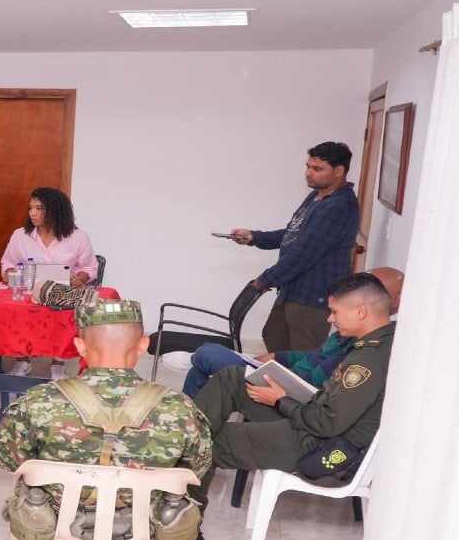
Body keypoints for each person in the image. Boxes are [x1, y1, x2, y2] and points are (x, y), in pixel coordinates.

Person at [0, 299, 212, 540]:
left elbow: (7, 458)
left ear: (80, 346)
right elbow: (196, 469)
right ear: (144, 344)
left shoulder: (39, 401)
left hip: (58, 515)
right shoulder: (179, 407)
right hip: (143, 518)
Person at [192, 272, 395, 510]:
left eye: (335, 312)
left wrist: (281, 400)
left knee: (209, 445)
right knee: (234, 378)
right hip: (313, 422)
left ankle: (182, 521)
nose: (330, 319)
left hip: (320, 445)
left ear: (360, 311)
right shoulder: (378, 342)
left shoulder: (368, 360)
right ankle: (183, 437)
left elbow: (328, 424)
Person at [173, 267, 404, 397]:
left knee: (209, 353)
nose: (330, 318)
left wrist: (275, 377)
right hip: (283, 377)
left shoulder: (365, 345)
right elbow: (314, 357)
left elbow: (311, 387)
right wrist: (278, 357)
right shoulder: (347, 331)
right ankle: (191, 430)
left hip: (284, 392)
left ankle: (193, 359)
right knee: (199, 371)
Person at [230, 141, 359, 352]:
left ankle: (294, 386)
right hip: (293, 289)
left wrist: (263, 281)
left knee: (303, 353)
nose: (308, 173)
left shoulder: (339, 206)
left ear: (338, 171)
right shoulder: (317, 196)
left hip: (313, 296)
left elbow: (303, 254)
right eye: (308, 166)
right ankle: (278, 383)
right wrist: (254, 237)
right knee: (273, 336)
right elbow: (293, 233)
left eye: (317, 169)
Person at [1, 187, 99, 380]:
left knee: (62, 315)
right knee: (17, 312)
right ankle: (22, 361)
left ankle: (58, 363)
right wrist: (11, 272)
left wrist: (80, 277)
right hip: (29, 292)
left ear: (55, 211)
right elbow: (7, 263)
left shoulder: (78, 237)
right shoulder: (20, 235)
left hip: (62, 294)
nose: (32, 213)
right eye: (30, 208)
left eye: (38, 208)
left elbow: (90, 268)